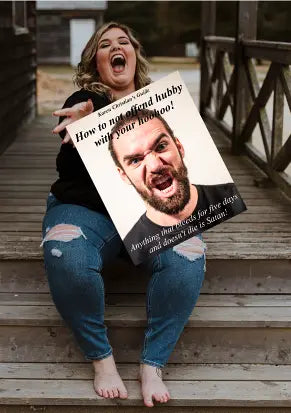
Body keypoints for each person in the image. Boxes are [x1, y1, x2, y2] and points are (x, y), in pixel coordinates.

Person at [41, 21, 206, 408]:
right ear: (96, 62)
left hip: (145, 214)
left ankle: (153, 365)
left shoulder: (158, 105)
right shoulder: (85, 100)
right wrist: (86, 118)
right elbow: (87, 107)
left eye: (123, 42)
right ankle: (102, 360)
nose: (116, 47)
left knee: (189, 257)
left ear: (133, 54)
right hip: (85, 210)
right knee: (66, 255)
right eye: (104, 45)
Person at [109, 109, 246, 264]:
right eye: (135, 160)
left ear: (179, 147)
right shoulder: (132, 248)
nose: (155, 166)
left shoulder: (233, 198)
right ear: (124, 175)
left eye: (161, 147)